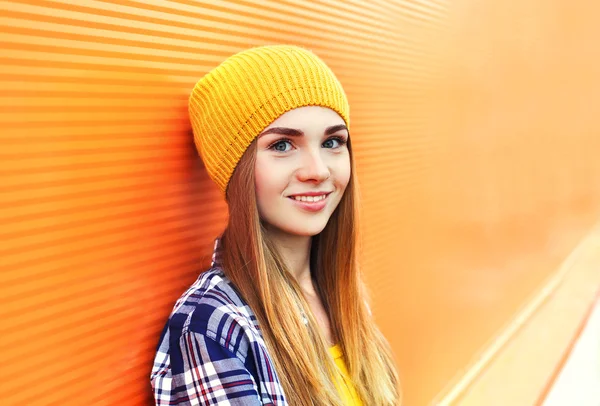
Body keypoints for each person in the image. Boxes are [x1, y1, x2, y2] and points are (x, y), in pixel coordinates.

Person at [150, 45, 400, 405]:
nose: (317, 170)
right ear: (237, 170)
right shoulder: (212, 327)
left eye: (332, 142)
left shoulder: (343, 295)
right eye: (282, 145)